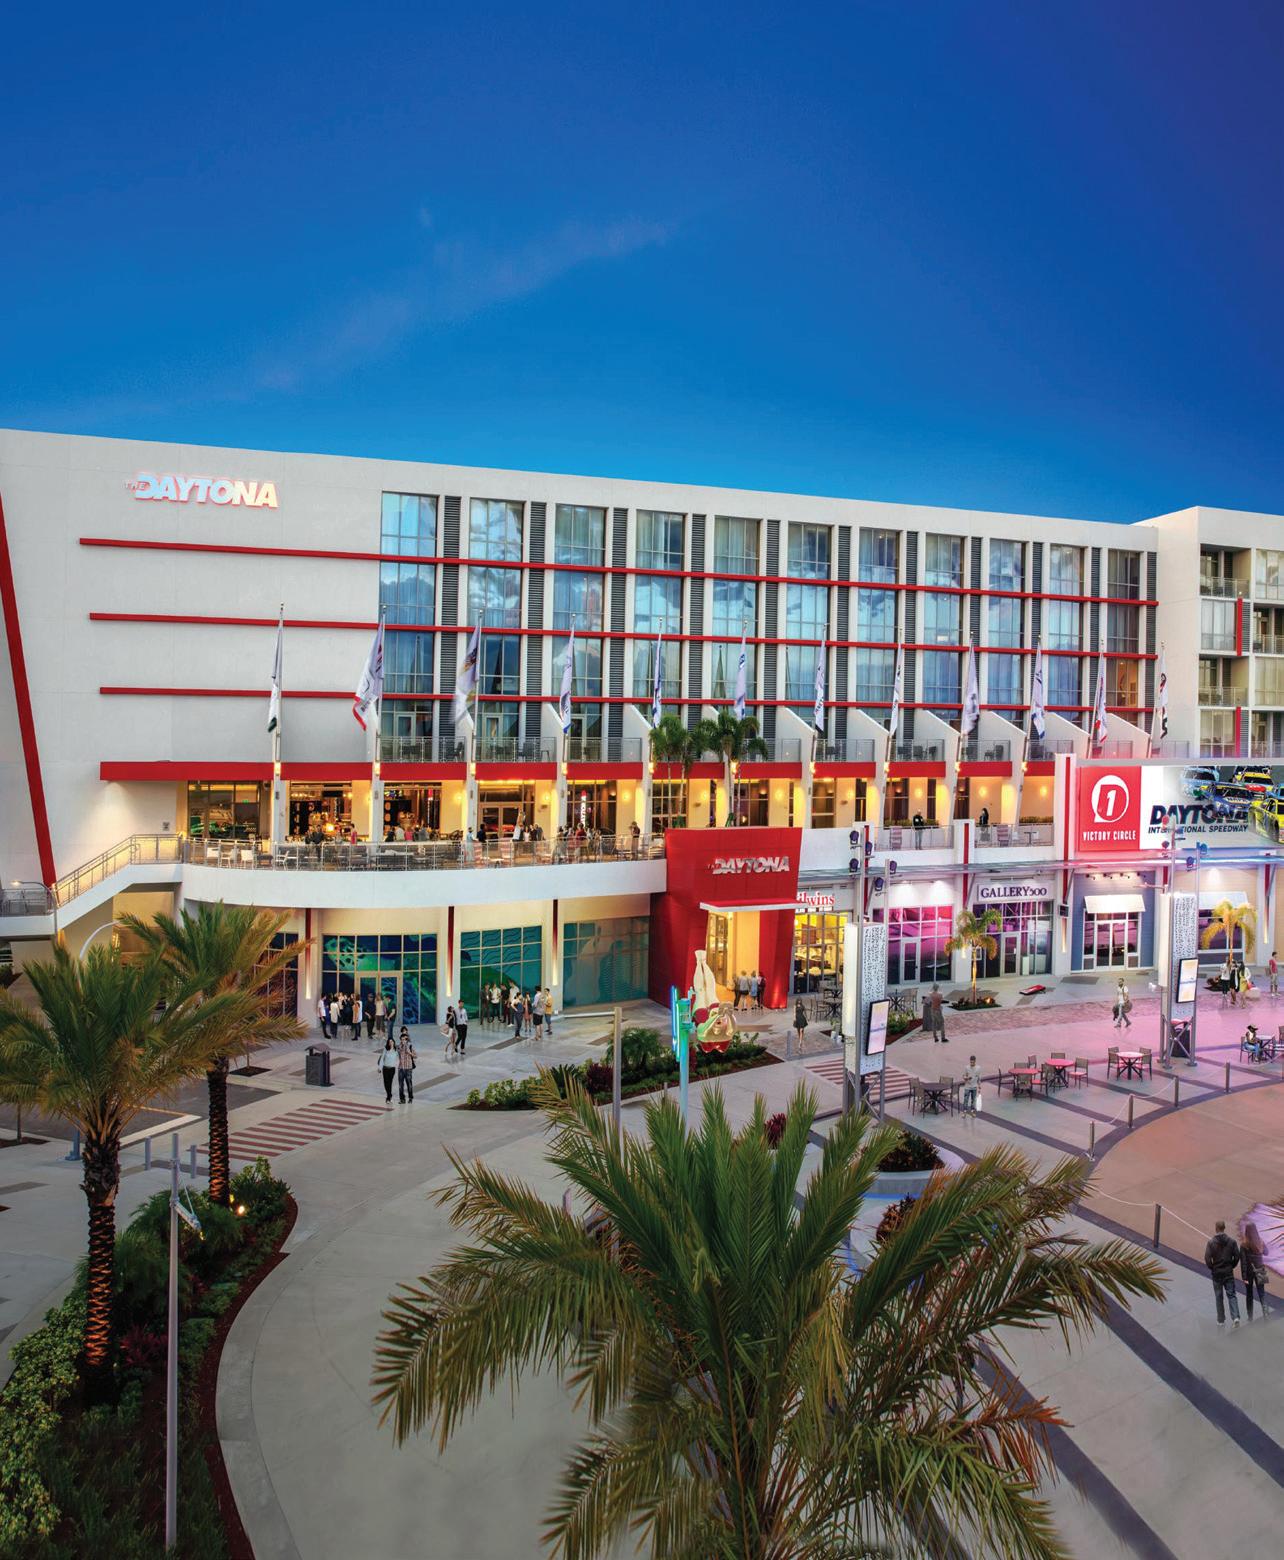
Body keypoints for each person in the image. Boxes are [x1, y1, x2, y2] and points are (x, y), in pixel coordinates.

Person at [1205, 1219, 1241, 1327]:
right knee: (1231, 1295)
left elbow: (1207, 1258)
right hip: (1228, 1272)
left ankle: (1221, 1320)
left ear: (1216, 1228)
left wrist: (1213, 1268)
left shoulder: (1211, 1242)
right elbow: (1237, 1257)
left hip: (1217, 1273)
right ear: (1224, 1228)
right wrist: (1231, 1266)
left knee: (1219, 1296)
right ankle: (1235, 1317)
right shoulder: (1232, 1242)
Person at [1241, 1221, 1269, 1318]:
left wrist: (1244, 1276)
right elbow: (1266, 1252)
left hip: (1249, 1272)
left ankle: (1250, 1316)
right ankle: (1265, 1313)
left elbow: (1243, 1262)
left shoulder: (1244, 1244)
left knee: (1249, 1294)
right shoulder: (1260, 1241)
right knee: (1262, 1293)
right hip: (1261, 1269)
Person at [396, 1026, 417, 1103]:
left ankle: (410, 1098)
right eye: (402, 1039)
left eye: (405, 1039)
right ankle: (402, 1099)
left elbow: (416, 1056)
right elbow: (398, 1054)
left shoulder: (410, 1046)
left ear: (407, 1040)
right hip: (401, 1068)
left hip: (408, 1068)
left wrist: (410, 1053)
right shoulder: (399, 1047)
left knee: (409, 1084)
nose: (403, 1041)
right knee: (400, 1085)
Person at [378, 1035, 399, 1103]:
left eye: (392, 1041)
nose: (391, 1043)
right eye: (389, 1042)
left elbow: (400, 1057)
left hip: (392, 1069)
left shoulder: (396, 1050)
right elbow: (382, 1058)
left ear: (394, 1042)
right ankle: (389, 1096)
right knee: (386, 1083)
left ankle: (388, 1097)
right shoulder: (386, 1049)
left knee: (390, 1083)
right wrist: (380, 1068)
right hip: (385, 1068)